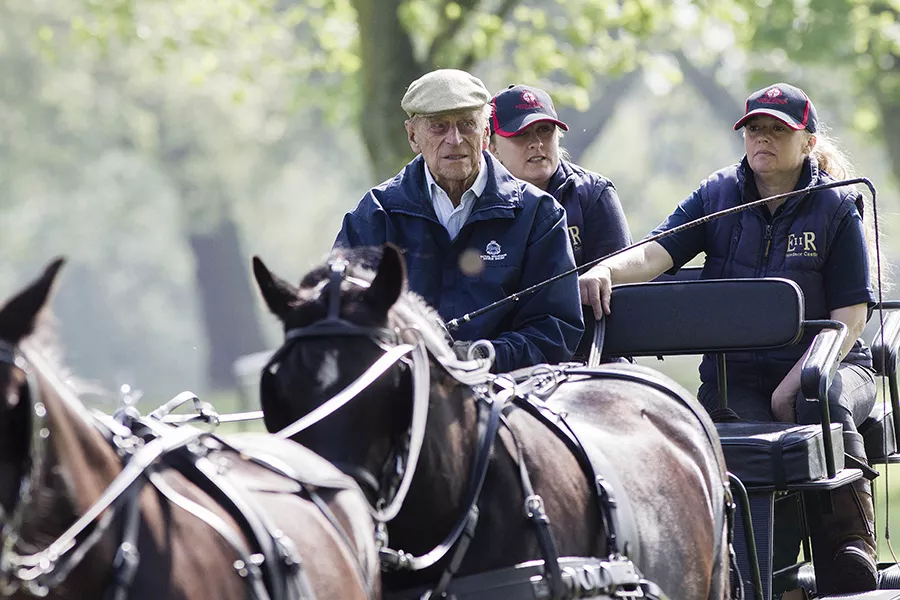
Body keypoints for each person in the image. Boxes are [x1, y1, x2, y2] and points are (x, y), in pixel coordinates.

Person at [579, 83, 879, 594]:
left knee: (818, 398)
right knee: (735, 435)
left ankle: (849, 548)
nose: (763, 138)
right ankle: (762, 571)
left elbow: (850, 317)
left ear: (807, 142)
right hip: (736, 377)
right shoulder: (716, 196)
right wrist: (606, 270)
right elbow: (654, 253)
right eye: (754, 128)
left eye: (778, 130)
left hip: (834, 363)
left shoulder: (835, 205)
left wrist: (798, 380)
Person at [334, 69, 583, 373]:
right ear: (413, 136)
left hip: (509, 389)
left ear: (485, 134)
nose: (454, 140)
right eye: (438, 126)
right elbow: (341, 316)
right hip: (403, 390)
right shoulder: (375, 214)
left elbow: (555, 327)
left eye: (467, 124)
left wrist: (483, 357)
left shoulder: (539, 214)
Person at [488, 84, 632, 268]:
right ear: (493, 148)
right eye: (521, 134)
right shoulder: (480, 203)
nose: (536, 143)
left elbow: (621, 277)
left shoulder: (592, 194)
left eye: (545, 130)